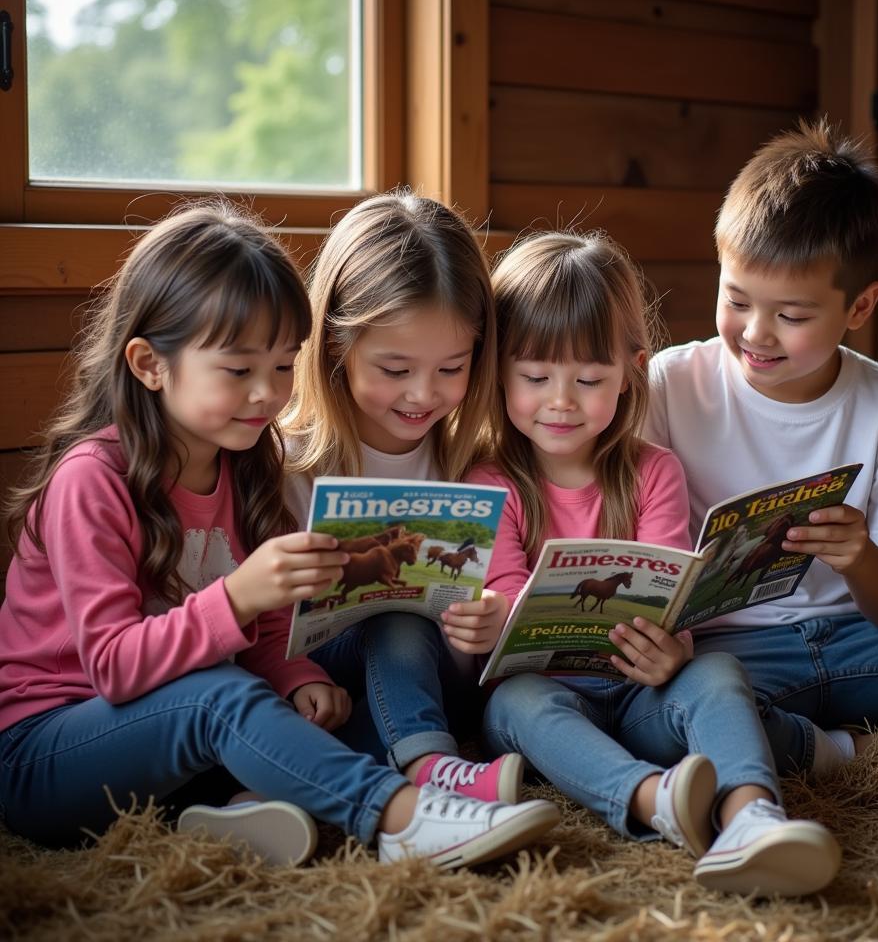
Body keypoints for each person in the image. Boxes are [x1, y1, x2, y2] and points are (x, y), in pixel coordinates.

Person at [0, 202, 559, 868]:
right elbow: (115, 669)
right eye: (239, 371)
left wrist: (294, 678)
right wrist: (236, 597)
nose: (266, 394)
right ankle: (401, 816)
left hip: (170, 735)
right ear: (150, 364)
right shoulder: (92, 479)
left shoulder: (245, 464)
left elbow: (263, 632)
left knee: (337, 713)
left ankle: (233, 812)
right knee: (222, 700)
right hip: (44, 753)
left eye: (282, 366)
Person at [645, 118, 878, 775]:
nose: (756, 334)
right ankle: (782, 739)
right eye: (735, 300)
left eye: (792, 316)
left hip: (858, 642)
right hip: (726, 655)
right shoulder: (670, 383)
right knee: (653, 715)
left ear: (860, 308)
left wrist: (859, 556)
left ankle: (860, 754)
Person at [467, 231, 841, 896]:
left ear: (632, 372)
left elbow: (671, 585)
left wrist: (676, 649)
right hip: (545, 697)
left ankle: (750, 816)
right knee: (517, 705)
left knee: (718, 671)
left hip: (641, 690)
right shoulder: (492, 481)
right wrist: (493, 620)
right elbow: (501, 590)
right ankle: (653, 801)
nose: (561, 401)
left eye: (588, 380)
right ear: (498, 372)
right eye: (533, 378)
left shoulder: (653, 470)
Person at [282, 190, 524, 805]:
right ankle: (415, 769)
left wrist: (493, 619)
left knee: (399, 614)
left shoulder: (473, 461)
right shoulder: (285, 461)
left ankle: (428, 767)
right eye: (395, 369)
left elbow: (496, 589)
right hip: (322, 686)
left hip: (445, 683)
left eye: (451, 368)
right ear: (336, 345)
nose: (423, 393)